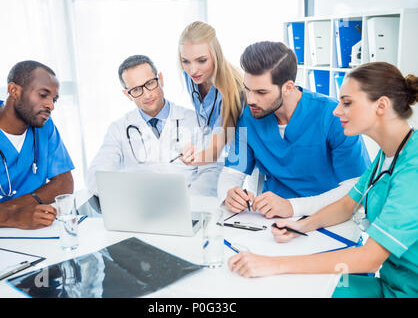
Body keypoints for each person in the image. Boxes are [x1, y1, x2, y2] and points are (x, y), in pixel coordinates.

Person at [228, 62, 418, 298]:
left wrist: (274, 263)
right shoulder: (390, 153)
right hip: (391, 285)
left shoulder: (413, 169)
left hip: (406, 292)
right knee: (288, 286)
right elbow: (348, 204)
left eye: (347, 103)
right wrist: (300, 226)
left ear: (381, 105)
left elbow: (370, 259)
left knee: (288, 283)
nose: (337, 111)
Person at [220, 41, 371, 218]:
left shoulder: (333, 116)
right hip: (270, 220)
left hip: (327, 217)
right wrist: (229, 194)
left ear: (288, 88)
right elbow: (232, 172)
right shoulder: (249, 116)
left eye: (261, 92)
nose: (251, 99)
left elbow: (356, 188)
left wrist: (293, 207)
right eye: (247, 89)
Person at [0, 60, 75, 231]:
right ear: (14, 90)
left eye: (54, 99)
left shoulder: (44, 126)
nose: (51, 105)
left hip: (31, 233)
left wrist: (13, 206)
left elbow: (64, 183)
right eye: (43, 95)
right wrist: (12, 216)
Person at [86, 55, 213, 196]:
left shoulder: (195, 121)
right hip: (140, 209)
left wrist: (188, 200)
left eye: (150, 83)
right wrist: (131, 195)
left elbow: (211, 171)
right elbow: (95, 177)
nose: (147, 95)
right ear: (127, 95)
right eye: (136, 90)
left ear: (161, 79)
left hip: (190, 208)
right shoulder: (118, 129)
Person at [177, 21, 245, 193]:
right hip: (214, 150)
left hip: (238, 156)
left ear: (216, 55)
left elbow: (216, 150)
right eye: (186, 61)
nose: (193, 70)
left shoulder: (232, 89)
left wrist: (191, 159)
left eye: (201, 60)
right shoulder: (192, 78)